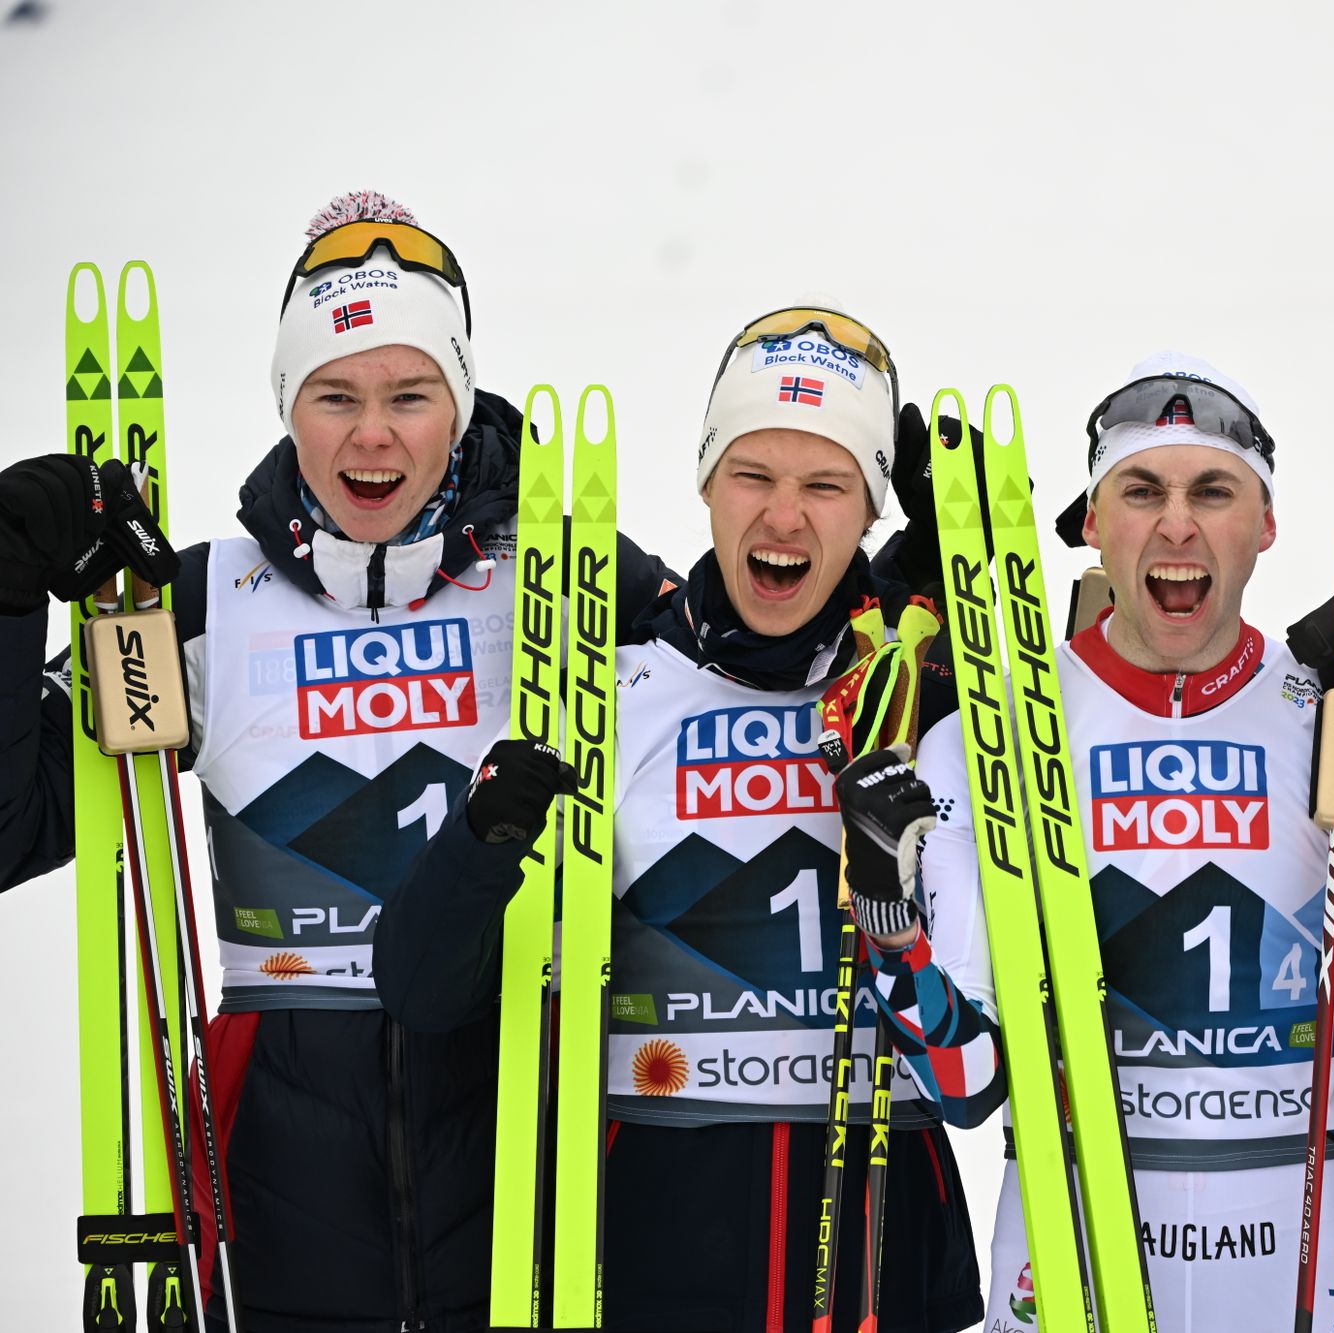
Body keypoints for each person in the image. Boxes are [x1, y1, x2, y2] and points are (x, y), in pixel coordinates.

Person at [0, 190, 673, 1330]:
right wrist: (11, 594)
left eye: (411, 395)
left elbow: (759, 680)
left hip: (530, 1149)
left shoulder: (564, 582)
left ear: (458, 405)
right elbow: (13, 826)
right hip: (282, 1184)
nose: (373, 434)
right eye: (335, 395)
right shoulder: (200, 605)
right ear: (287, 406)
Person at [373, 306, 986, 1332]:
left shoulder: (922, 707)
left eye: (827, 484)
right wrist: (480, 839)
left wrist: (893, 925)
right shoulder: (613, 694)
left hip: (880, 1254)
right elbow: (421, 989)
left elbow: (972, 1086)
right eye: (753, 474)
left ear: (869, 510)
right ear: (704, 482)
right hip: (650, 1245)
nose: (783, 517)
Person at [854, 352, 1334, 1331]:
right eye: (1140, 490)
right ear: (1091, 526)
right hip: (1069, 1264)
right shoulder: (995, 728)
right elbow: (966, 1081)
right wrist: (894, 935)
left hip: (1285, 1251)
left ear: (1265, 525)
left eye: (1213, 491)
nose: (1176, 523)